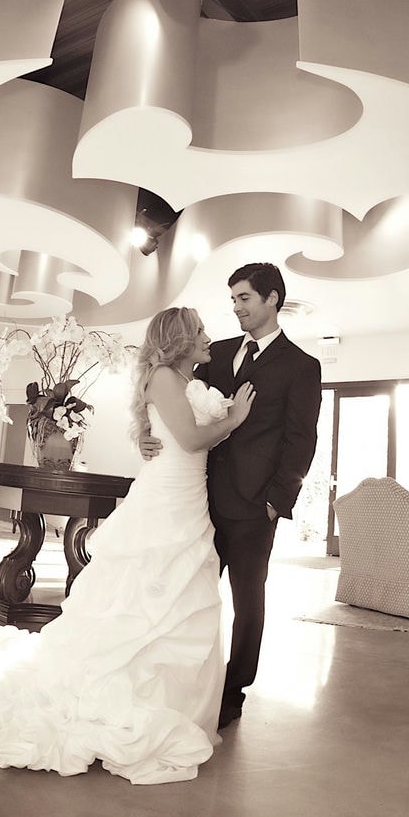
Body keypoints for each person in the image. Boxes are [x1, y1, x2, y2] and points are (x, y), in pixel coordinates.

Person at [0, 307, 254, 785]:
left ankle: (169, 701)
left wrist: (153, 433)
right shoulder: (164, 375)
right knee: (145, 593)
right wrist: (236, 418)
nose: (208, 337)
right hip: (170, 496)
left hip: (187, 497)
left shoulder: (178, 379)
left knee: (174, 596)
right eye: (200, 331)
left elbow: (168, 431)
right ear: (180, 340)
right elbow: (188, 436)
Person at [141, 262, 322, 729]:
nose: (237, 308)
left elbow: (301, 441)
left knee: (247, 602)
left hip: (253, 505)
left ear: (272, 300)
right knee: (188, 595)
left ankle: (233, 690)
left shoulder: (302, 366)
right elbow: (175, 404)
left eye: (244, 298)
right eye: (233, 300)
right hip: (197, 500)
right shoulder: (214, 353)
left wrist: (275, 501)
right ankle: (177, 679)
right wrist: (145, 432)